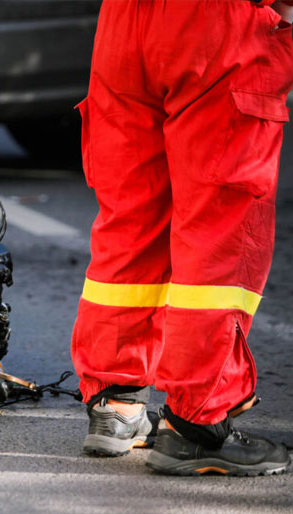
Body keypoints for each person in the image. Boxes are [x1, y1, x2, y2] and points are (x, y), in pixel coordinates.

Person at [72, 0, 293, 476]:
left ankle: (118, 404)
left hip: (126, 24)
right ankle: (197, 424)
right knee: (218, 230)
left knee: (132, 216)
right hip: (220, 28)